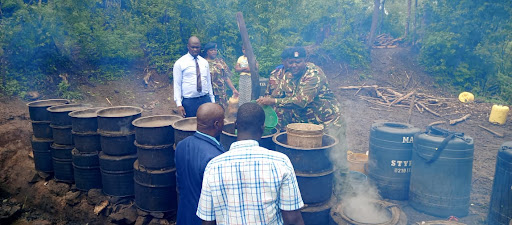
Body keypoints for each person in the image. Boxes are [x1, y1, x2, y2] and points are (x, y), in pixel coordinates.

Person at [196, 102, 305, 225]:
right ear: (262, 128)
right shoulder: (280, 162)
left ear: (236, 125)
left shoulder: (213, 167)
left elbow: (207, 221)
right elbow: (293, 219)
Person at [257, 46, 342, 131]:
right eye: (290, 62)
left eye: (298, 62)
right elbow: (275, 95)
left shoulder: (313, 75)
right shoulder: (288, 74)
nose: (294, 65)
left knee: (333, 144)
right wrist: (264, 100)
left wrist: (273, 101)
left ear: (305, 60)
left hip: (327, 122)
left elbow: (301, 101)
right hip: (304, 123)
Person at [175, 103, 226, 225]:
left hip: (184, 216)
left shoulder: (181, 145)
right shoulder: (215, 157)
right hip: (204, 220)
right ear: (217, 124)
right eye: (223, 120)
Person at [173, 36, 215, 117]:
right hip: (189, 102)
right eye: (193, 47)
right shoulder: (180, 63)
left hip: (205, 99)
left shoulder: (204, 62)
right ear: (188, 47)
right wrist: (179, 104)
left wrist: (212, 100)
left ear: (200, 47)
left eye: (197, 47)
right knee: (190, 126)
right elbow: (177, 84)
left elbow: (208, 82)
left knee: (207, 124)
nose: (195, 49)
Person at [204, 42, 239, 109]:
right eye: (211, 50)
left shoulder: (220, 62)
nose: (213, 52)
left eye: (215, 50)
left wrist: (233, 89)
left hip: (221, 93)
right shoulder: (203, 62)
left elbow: (226, 77)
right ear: (207, 52)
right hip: (209, 93)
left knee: (223, 111)